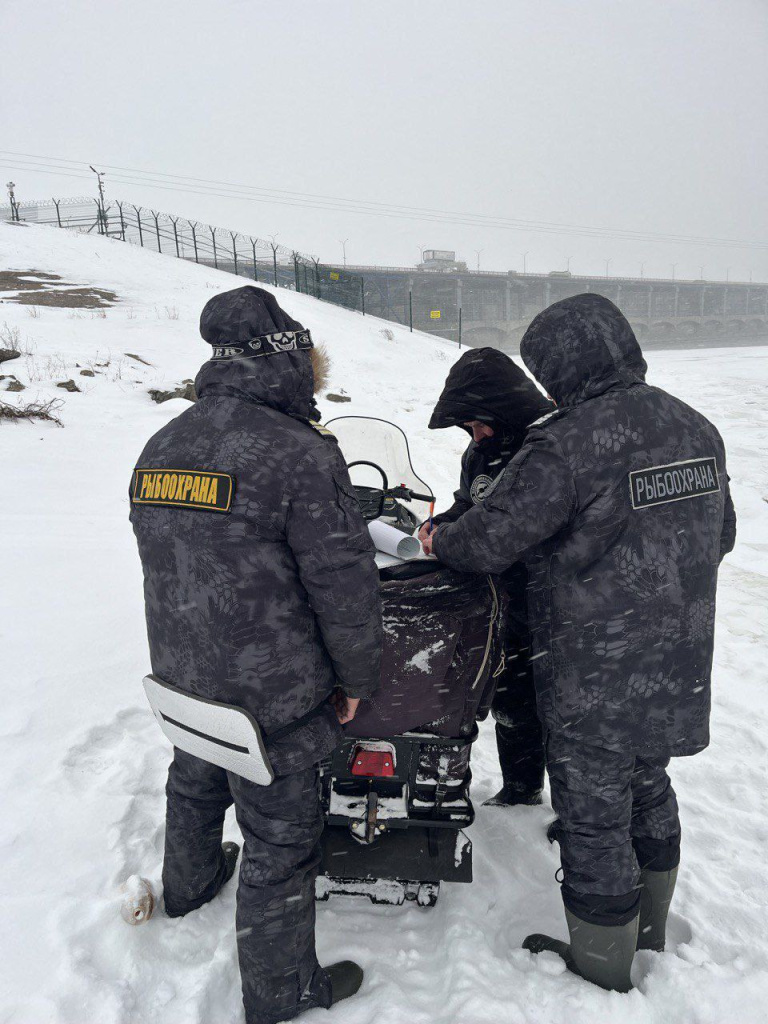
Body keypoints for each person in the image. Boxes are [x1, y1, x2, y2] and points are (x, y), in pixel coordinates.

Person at [423, 294, 736, 992]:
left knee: (592, 814)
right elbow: (722, 534)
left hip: (593, 666)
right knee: (648, 782)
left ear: (560, 366)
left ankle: (603, 963)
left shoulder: (567, 442)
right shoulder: (696, 426)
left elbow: (487, 540)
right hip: (677, 656)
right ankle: (648, 926)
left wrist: (435, 536)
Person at [129, 286, 382, 1024]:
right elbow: (344, 584)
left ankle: (190, 886)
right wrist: (356, 679)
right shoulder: (300, 454)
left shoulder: (164, 442)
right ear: (293, 363)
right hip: (273, 697)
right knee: (281, 838)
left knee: (196, 777)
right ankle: (281, 993)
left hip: (184, 672)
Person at [419, 348, 552, 805]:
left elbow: (514, 529)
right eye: (469, 428)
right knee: (511, 698)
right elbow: (469, 502)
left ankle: (577, 809)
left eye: (479, 424)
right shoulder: (481, 450)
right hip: (498, 596)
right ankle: (521, 789)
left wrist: (459, 539)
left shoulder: (542, 453)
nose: (475, 436)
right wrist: (443, 524)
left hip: (547, 600)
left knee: (550, 706)